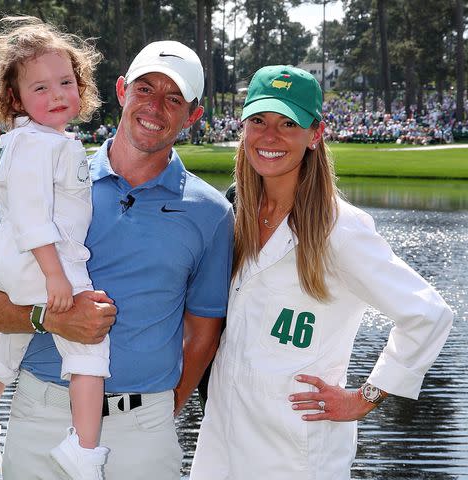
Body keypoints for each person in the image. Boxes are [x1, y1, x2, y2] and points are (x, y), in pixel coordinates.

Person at [0, 39, 234, 480]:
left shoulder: (211, 214)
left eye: (174, 98)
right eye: (145, 90)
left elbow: (203, 338)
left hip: (145, 431)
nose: (156, 107)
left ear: (193, 115)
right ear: (123, 91)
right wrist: (49, 319)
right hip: (40, 416)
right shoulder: (56, 173)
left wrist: (159, 412)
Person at [189, 65, 453, 480]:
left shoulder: (341, 229)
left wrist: (365, 398)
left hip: (297, 447)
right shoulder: (236, 214)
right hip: (223, 430)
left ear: (315, 135)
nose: (269, 136)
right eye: (258, 120)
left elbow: (428, 314)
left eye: (288, 123)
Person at [0, 16, 111, 480]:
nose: (57, 94)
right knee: (88, 343)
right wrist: (57, 275)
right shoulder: (39, 145)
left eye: (65, 82)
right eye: (40, 89)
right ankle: (83, 448)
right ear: (15, 99)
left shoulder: (31, 139)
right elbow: (34, 215)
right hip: (43, 260)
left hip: (14, 259)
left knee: (10, 337)